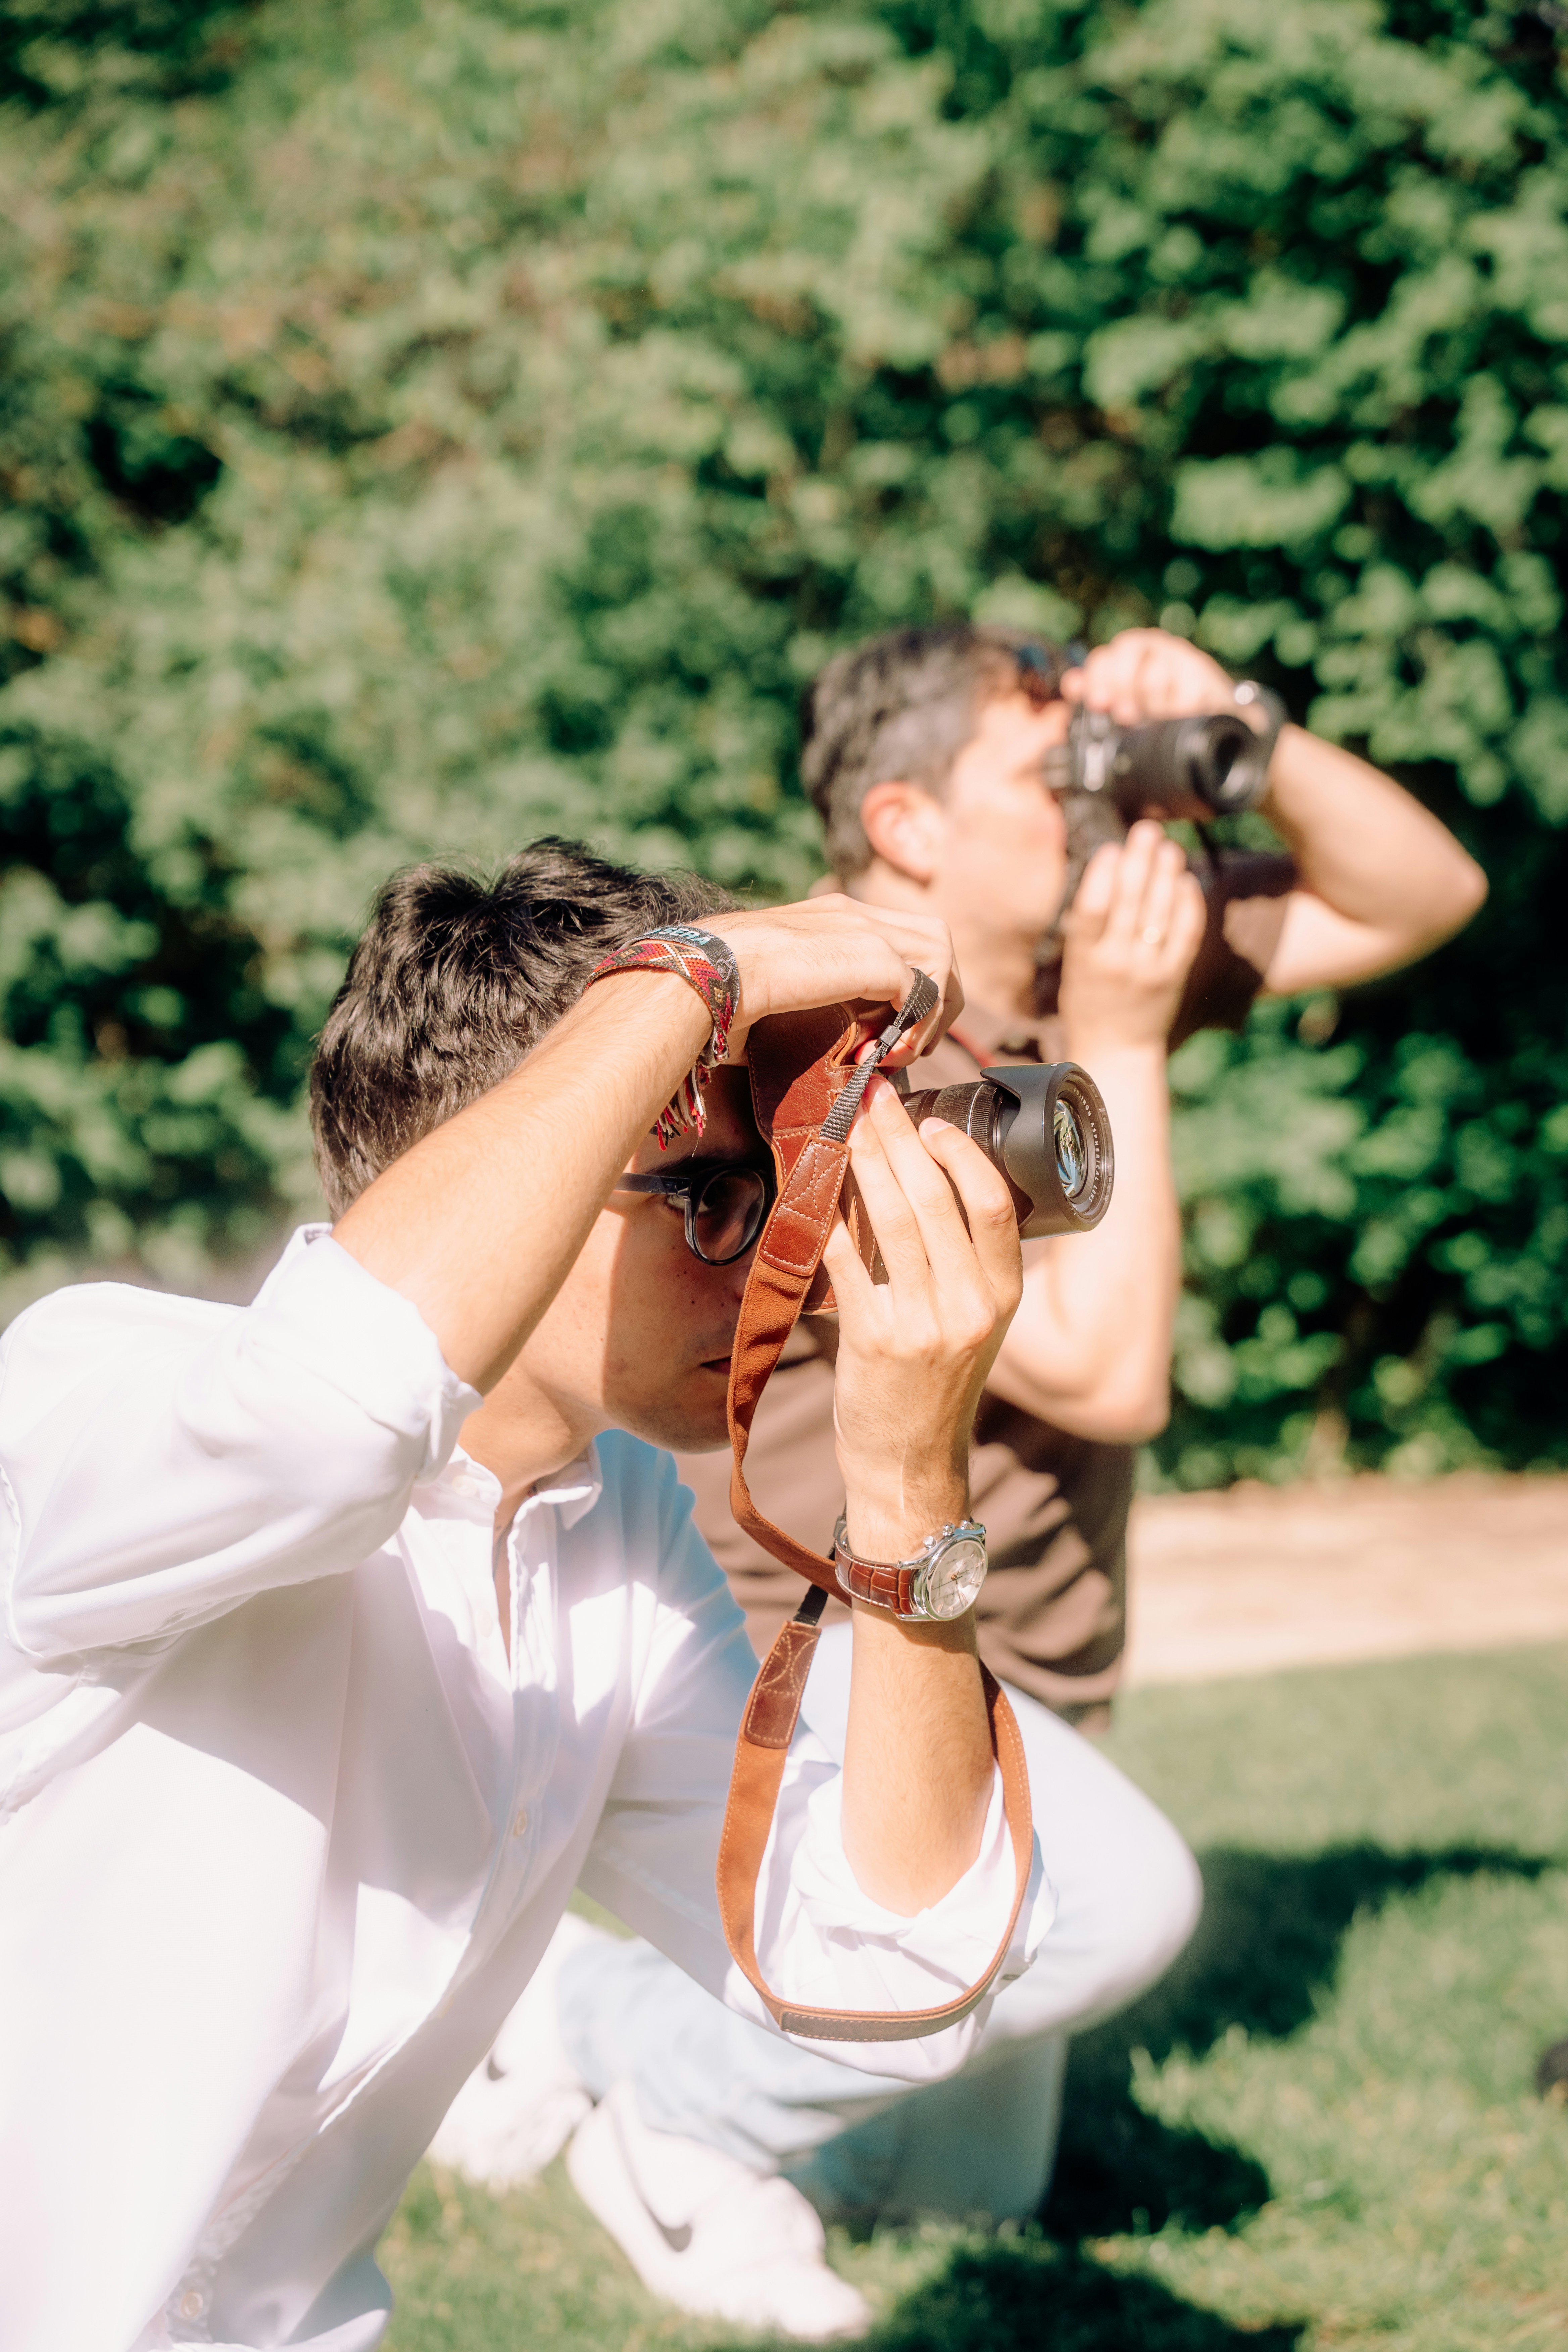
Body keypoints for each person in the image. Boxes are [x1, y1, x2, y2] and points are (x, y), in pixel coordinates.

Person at [443, 626, 1488, 2329]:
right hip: (820, 1637)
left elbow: (1420, 890)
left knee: (963, 2196)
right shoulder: (831, 1033)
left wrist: (1233, 722)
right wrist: (1130, 1050)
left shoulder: (1076, 970)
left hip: (1034, 1672)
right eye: (1051, 774)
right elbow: (1107, 1373)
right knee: (1123, 1907)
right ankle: (637, 2092)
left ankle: (592, 2041)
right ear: (906, 822)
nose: (1101, 811)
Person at [0, 838, 1086, 2352]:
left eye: (788, 1190)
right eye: (713, 1192)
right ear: (517, 1163)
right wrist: (702, 977)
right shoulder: (92, 1386)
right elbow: (338, 1416)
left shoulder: (615, 1534)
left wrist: (910, 1486)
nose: (783, 1259)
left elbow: (895, 1976)